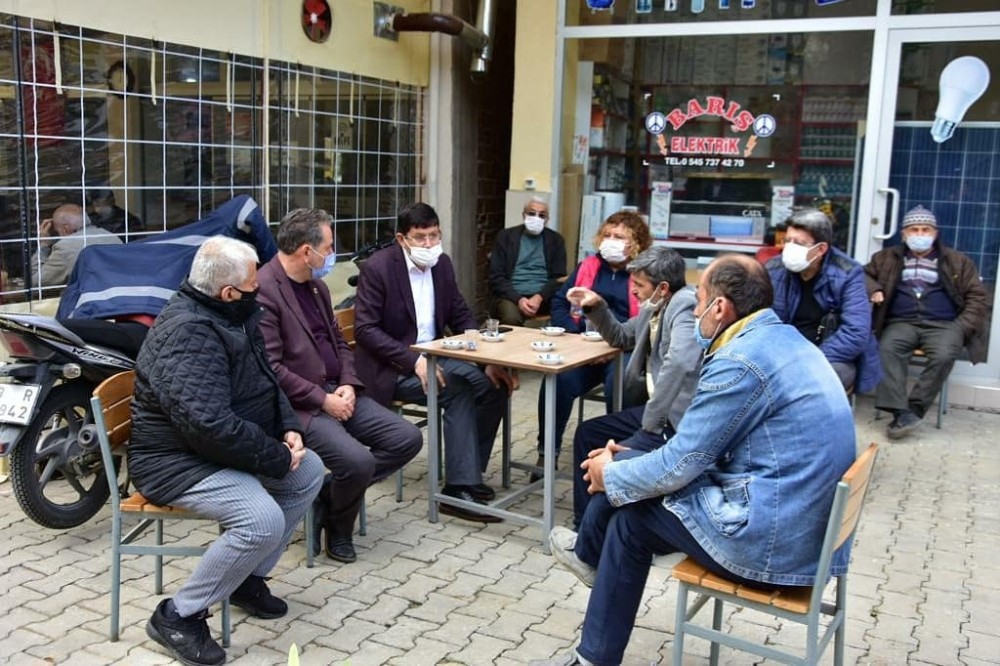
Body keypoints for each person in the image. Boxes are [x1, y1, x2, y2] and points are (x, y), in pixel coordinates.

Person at [538, 254, 857, 666]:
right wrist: (627, 464)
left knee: (632, 521)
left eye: (700, 298)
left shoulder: (738, 362)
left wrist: (613, 473)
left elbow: (681, 463)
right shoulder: (785, 339)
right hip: (803, 525)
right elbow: (701, 450)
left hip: (774, 540)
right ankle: (592, 561)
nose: (695, 310)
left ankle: (593, 632)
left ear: (720, 308)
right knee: (632, 471)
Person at [129, 236, 324, 666]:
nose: (261, 289)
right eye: (254, 283)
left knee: (309, 471)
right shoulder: (188, 332)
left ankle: (245, 580)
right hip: (173, 461)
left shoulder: (232, 313)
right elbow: (210, 426)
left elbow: (266, 377)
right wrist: (274, 456)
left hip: (211, 448)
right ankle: (178, 616)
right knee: (261, 520)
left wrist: (289, 428)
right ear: (228, 291)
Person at [257, 208, 422, 563]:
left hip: (338, 391)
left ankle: (331, 494)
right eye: (329, 247)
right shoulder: (265, 291)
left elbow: (339, 342)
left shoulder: (316, 287)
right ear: (306, 252)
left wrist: (347, 382)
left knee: (406, 438)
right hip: (299, 407)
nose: (334, 254)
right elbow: (271, 369)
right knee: (358, 461)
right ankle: (339, 527)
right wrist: (323, 399)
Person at [353, 202, 514, 523]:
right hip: (392, 368)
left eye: (434, 236)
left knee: (494, 384)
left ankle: (469, 472)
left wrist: (485, 359)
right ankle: (456, 491)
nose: (429, 244)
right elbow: (365, 330)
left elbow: (460, 313)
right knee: (458, 388)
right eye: (420, 237)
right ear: (402, 239)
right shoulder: (378, 268)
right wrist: (413, 360)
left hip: (436, 358)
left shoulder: (442, 264)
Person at [565, 246, 702, 529]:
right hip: (656, 414)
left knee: (613, 454)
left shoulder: (684, 304)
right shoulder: (655, 308)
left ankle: (598, 529)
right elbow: (620, 335)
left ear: (662, 287)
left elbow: (679, 361)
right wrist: (595, 305)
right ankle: (584, 525)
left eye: (639, 285)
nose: (634, 291)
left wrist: (651, 422)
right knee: (588, 434)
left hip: (674, 420)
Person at [532, 210, 652, 479]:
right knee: (557, 380)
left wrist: (612, 344)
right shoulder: (588, 266)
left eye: (619, 237)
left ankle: (617, 454)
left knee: (620, 384)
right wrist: (576, 335)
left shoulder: (644, 273)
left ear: (636, 243)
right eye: (607, 235)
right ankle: (546, 452)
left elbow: (645, 320)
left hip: (624, 350)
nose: (610, 241)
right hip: (584, 347)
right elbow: (561, 303)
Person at [865, 205, 988, 439]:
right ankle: (899, 411)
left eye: (925, 229)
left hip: (944, 324)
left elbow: (978, 297)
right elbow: (862, 275)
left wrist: (961, 327)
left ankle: (915, 408)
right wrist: (874, 288)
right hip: (901, 322)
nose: (920, 235)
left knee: (944, 355)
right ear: (903, 234)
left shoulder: (957, 261)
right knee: (887, 349)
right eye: (914, 230)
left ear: (935, 233)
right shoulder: (885, 258)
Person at [766, 207, 881, 393]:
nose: (789, 247)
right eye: (787, 241)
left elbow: (856, 332)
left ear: (821, 249)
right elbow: (759, 320)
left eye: (799, 243)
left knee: (811, 383)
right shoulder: (773, 269)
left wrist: (812, 360)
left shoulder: (848, 273)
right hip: (782, 353)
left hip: (830, 356)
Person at [488, 197, 567, 326]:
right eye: (531, 213)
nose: (536, 218)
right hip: (511, 295)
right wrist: (518, 299)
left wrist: (539, 297)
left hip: (545, 297)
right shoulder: (505, 237)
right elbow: (496, 276)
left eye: (542, 215)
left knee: (563, 319)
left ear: (546, 220)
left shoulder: (556, 241)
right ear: (524, 215)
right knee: (511, 319)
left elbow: (558, 278)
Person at [30, 203, 121, 289]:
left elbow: (35, 281)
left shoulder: (65, 247)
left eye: (57, 231)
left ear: (65, 229)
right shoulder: (111, 236)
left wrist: (43, 245)